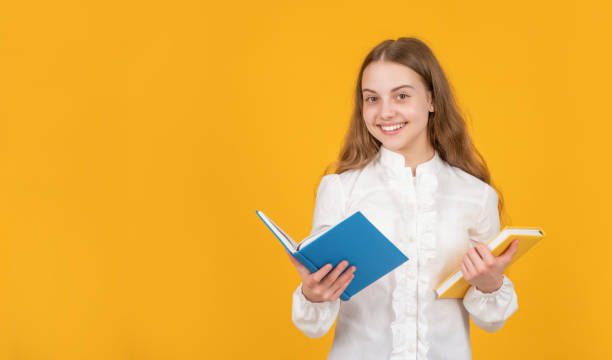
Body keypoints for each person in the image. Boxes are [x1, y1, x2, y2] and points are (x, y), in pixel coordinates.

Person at [286, 37, 520, 360]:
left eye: (402, 96)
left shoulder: (476, 196)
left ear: (432, 100)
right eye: (372, 99)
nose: (385, 112)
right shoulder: (340, 190)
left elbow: (492, 320)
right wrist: (313, 294)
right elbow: (313, 326)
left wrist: (491, 283)